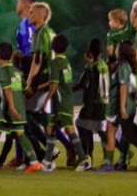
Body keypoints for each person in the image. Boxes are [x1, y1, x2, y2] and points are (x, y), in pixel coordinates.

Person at [0, 42, 42, 174]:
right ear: (10, 56)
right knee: (21, 135)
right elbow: (23, 90)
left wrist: (11, 108)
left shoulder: (3, 71)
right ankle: (35, 163)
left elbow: (8, 90)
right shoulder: (17, 72)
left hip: (7, 110)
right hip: (20, 108)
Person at [100, 40, 137, 172]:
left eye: (117, 48)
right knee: (126, 133)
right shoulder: (121, 65)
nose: (114, 49)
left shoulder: (123, 66)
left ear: (121, 52)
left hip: (122, 106)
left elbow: (124, 86)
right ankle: (110, 163)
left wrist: (121, 107)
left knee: (128, 135)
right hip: (121, 105)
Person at [44, 34, 92, 172]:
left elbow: (54, 85)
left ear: (53, 46)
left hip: (59, 102)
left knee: (68, 129)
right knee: (52, 129)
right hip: (66, 100)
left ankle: (83, 159)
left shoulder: (55, 63)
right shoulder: (66, 62)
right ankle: (47, 162)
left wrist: (45, 101)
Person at [23, 1, 53, 160]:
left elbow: (37, 61)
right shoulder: (48, 32)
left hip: (43, 82)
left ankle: (49, 150)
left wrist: (29, 83)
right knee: (37, 116)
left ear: (42, 15)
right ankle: (47, 151)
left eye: (32, 12)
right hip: (50, 81)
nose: (29, 15)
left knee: (25, 116)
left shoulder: (40, 33)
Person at [74, 38, 109, 164]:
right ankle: (107, 158)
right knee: (100, 130)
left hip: (93, 103)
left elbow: (84, 84)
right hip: (104, 103)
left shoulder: (92, 67)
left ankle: (88, 156)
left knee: (81, 125)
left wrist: (68, 90)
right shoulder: (103, 64)